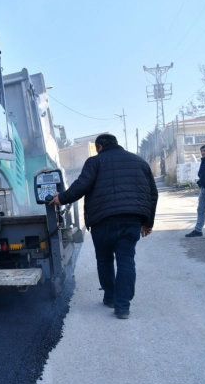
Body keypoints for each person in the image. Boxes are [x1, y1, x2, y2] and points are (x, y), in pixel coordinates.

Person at [49, 134, 158, 320]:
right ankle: (123, 307)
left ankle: (110, 297)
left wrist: (62, 198)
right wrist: (148, 223)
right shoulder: (140, 162)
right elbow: (152, 194)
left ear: (99, 147)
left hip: (102, 220)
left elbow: (82, 185)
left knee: (105, 260)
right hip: (131, 219)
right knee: (126, 261)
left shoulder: (95, 161)